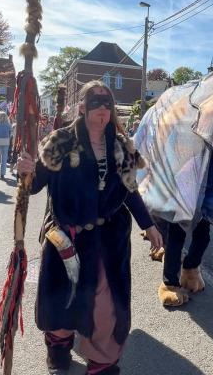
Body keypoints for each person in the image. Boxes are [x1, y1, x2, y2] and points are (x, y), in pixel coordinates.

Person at [16, 81, 163, 374]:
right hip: (66, 240)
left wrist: (149, 225)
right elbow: (34, 188)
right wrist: (27, 170)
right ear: (82, 109)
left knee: (107, 307)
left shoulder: (122, 147)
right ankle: (58, 351)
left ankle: (102, 361)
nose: (103, 110)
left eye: (107, 104)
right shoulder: (59, 142)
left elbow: (131, 191)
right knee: (62, 301)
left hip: (109, 241)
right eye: (96, 104)